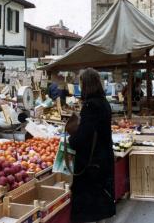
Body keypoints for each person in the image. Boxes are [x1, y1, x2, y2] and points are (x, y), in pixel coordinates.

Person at [66, 68, 115, 223]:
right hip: (103, 157)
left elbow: (83, 137)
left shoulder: (90, 106)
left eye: (80, 82)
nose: (79, 85)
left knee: (90, 206)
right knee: (100, 201)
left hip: (92, 162)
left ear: (85, 84)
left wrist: (71, 141)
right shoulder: (103, 102)